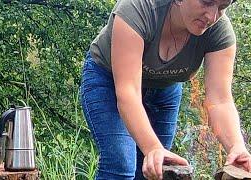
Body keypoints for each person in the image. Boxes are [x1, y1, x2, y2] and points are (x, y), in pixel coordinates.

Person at [80, 0, 251, 179]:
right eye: (206, 2)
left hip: (164, 91)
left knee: (156, 171)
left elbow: (220, 100)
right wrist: (153, 148)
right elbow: (128, 92)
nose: (212, 16)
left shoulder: (219, 31)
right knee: (121, 164)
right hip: (109, 81)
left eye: (222, 8)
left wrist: (236, 146)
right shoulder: (137, 9)